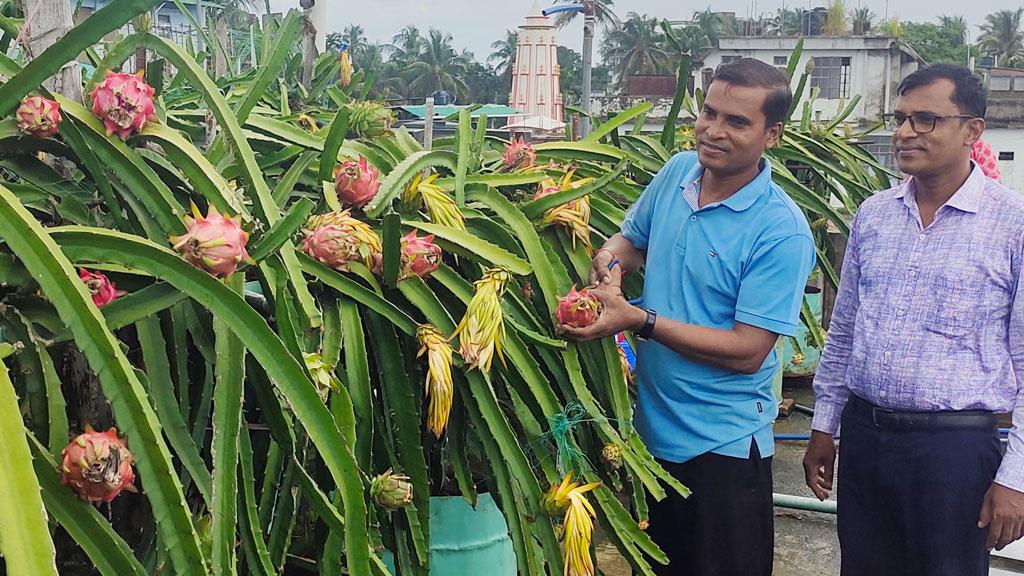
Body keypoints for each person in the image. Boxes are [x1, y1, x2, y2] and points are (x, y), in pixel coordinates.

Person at [560, 58, 815, 576]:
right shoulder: (679, 171)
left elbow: (748, 352)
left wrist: (638, 319)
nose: (714, 131)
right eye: (709, 112)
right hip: (651, 437)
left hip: (722, 449)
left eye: (737, 122)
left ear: (773, 135)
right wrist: (608, 269)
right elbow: (629, 240)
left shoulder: (781, 231)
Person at [803, 64, 1024, 576]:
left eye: (925, 119)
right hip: (866, 437)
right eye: (900, 118)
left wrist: (1015, 476)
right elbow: (845, 332)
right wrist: (823, 427)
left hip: (955, 452)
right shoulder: (874, 215)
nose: (904, 132)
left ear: (972, 130)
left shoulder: (1012, 225)